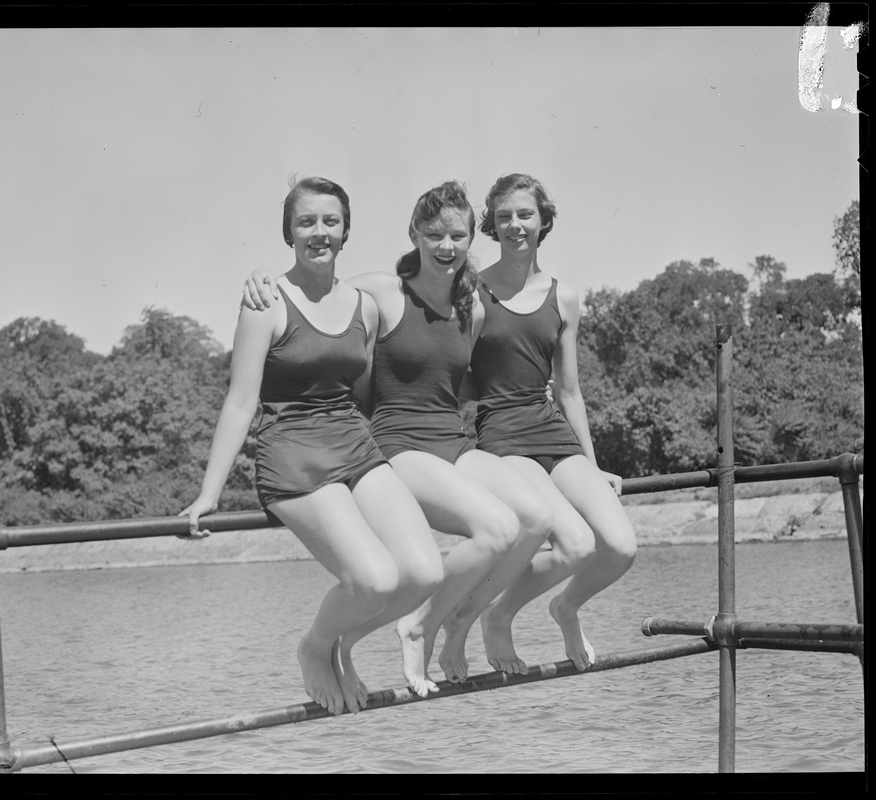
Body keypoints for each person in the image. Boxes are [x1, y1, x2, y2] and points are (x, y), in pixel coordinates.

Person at [244, 181, 554, 696]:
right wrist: (259, 277)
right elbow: (318, 288)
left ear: (471, 238)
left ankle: (460, 623)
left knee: (536, 518)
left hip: (451, 439)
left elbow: (457, 379)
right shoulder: (380, 290)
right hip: (397, 442)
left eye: (457, 235)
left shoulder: (470, 309)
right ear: (413, 233)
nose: (445, 246)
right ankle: (420, 625)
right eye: (433, 234)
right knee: (495, 528)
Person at [181, 177, 443, 717]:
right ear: (289, 232)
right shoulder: (266, 302)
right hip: (293, 454)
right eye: (306, 222)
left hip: (354, 445)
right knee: (373, 579)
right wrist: (209, 493)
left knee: (424, 573)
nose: (319, 232)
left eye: (330, 221)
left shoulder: (365, 308)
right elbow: (239, 401)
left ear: (346, 231)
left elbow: (364, 394)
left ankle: (342, 642)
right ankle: (314, 647)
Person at [448, 172, 638, 675]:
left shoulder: (564, 296)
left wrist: (594, 467)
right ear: (491, 223)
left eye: (525, 214)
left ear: (543, 220)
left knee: (620, 547)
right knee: (575, 544)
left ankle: (566, 607)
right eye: (504, 216)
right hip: (502, 437)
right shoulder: (472, 291)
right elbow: (453, 376)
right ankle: (499, 615)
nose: (515, 225)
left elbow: (570, 391)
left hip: (551, 428)